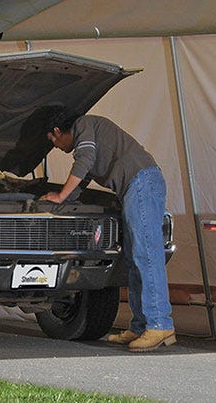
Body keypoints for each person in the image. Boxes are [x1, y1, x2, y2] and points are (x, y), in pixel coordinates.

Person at [39, 110, 175, 352]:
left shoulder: (84, 125)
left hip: (142, 183)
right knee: (133, 259)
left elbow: (85, 160)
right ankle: (141, 325)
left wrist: (60, 194)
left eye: (53, 141)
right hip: (135, 187)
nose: (56, 147)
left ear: (58, 132)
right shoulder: (90, 133)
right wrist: (64, 201)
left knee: (147, 255)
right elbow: (83, 178)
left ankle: (160, 323)